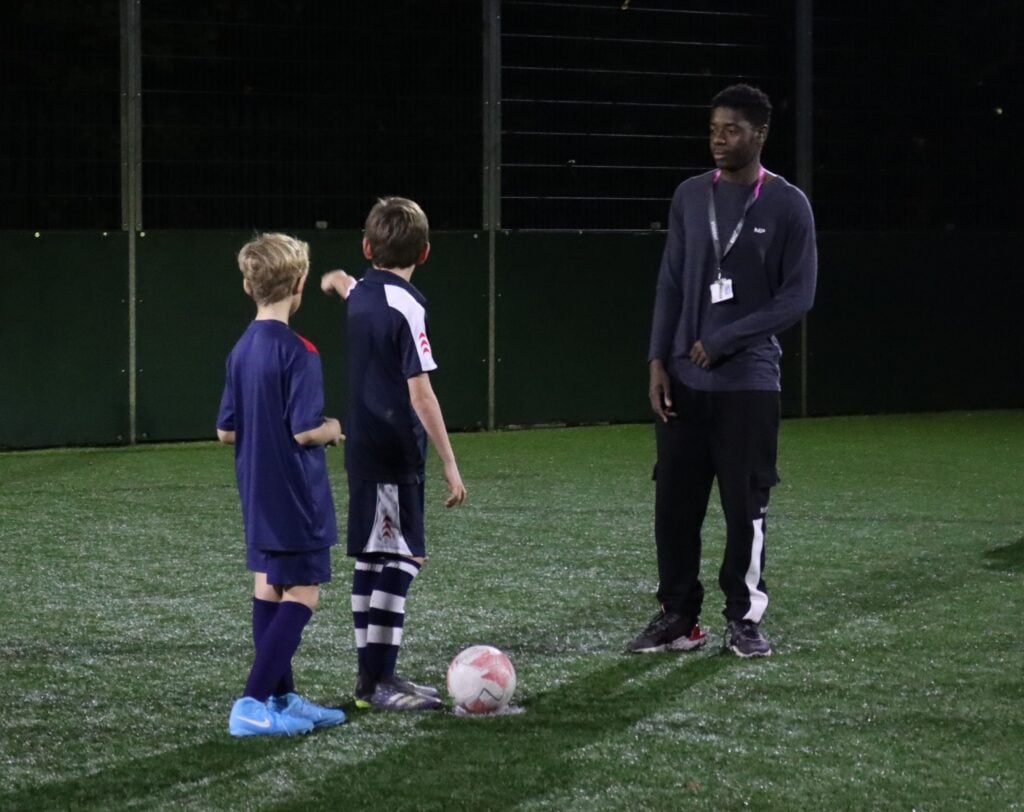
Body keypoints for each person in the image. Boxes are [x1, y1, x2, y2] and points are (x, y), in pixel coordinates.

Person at [627, 84, 817, 658]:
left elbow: (799, 296)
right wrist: (658, 360)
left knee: (746, 506)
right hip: (685, 383)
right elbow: (668, 280)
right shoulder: (689, 196)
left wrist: (726, 337)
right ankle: (678, 617)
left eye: (731, 129)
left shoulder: (788, 205)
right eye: (713, 128)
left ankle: (745, 617)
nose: (718, 138)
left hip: (749, 385)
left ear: (759, 134)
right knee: (675, 507)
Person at [322, 196, 467, 710]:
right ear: (424, 253)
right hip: (393, 448)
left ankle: (373, 679)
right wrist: (449, 462)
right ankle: (378, 680)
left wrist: (333, 278)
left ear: (367, 247)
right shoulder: (408, 305)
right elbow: (420, 392)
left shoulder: (363, 291)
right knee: (403, 558)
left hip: (364, 442)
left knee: (372, 558)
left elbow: (347, 285)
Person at [217, 233, 347, 735]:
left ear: (250, 286)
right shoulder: (300, 351)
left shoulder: (240, 349)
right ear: (299, 285)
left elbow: (226, 430)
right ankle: (250, 703)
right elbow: (304, 429)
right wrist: (335, 430)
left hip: (256, 489)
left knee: (268, 588)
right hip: (296, 494)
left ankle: (283, 698)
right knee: (304, 594)